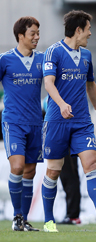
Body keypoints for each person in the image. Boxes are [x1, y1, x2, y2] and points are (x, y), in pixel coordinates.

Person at [41, 10, 96, 232]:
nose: (90, 33)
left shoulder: (86, 56)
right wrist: (61, 104)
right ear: (78, 30)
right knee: (54, 171)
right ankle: (48, 221)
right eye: (88, 29)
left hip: (81, 122)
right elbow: (49, 83)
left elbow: (91, 86)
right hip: (57, 120)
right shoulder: (53, 52)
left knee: (91, 164)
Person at [1, 16, 43, 232]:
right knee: (17, 167)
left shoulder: (43, 60)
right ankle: (17, 216)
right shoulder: (4, 60)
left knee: (30, 171)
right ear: (20, 36)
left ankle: (23, 220)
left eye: (38, 33)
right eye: (32, 33)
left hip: (36, 123)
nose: (37, 37)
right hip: (13, 122)